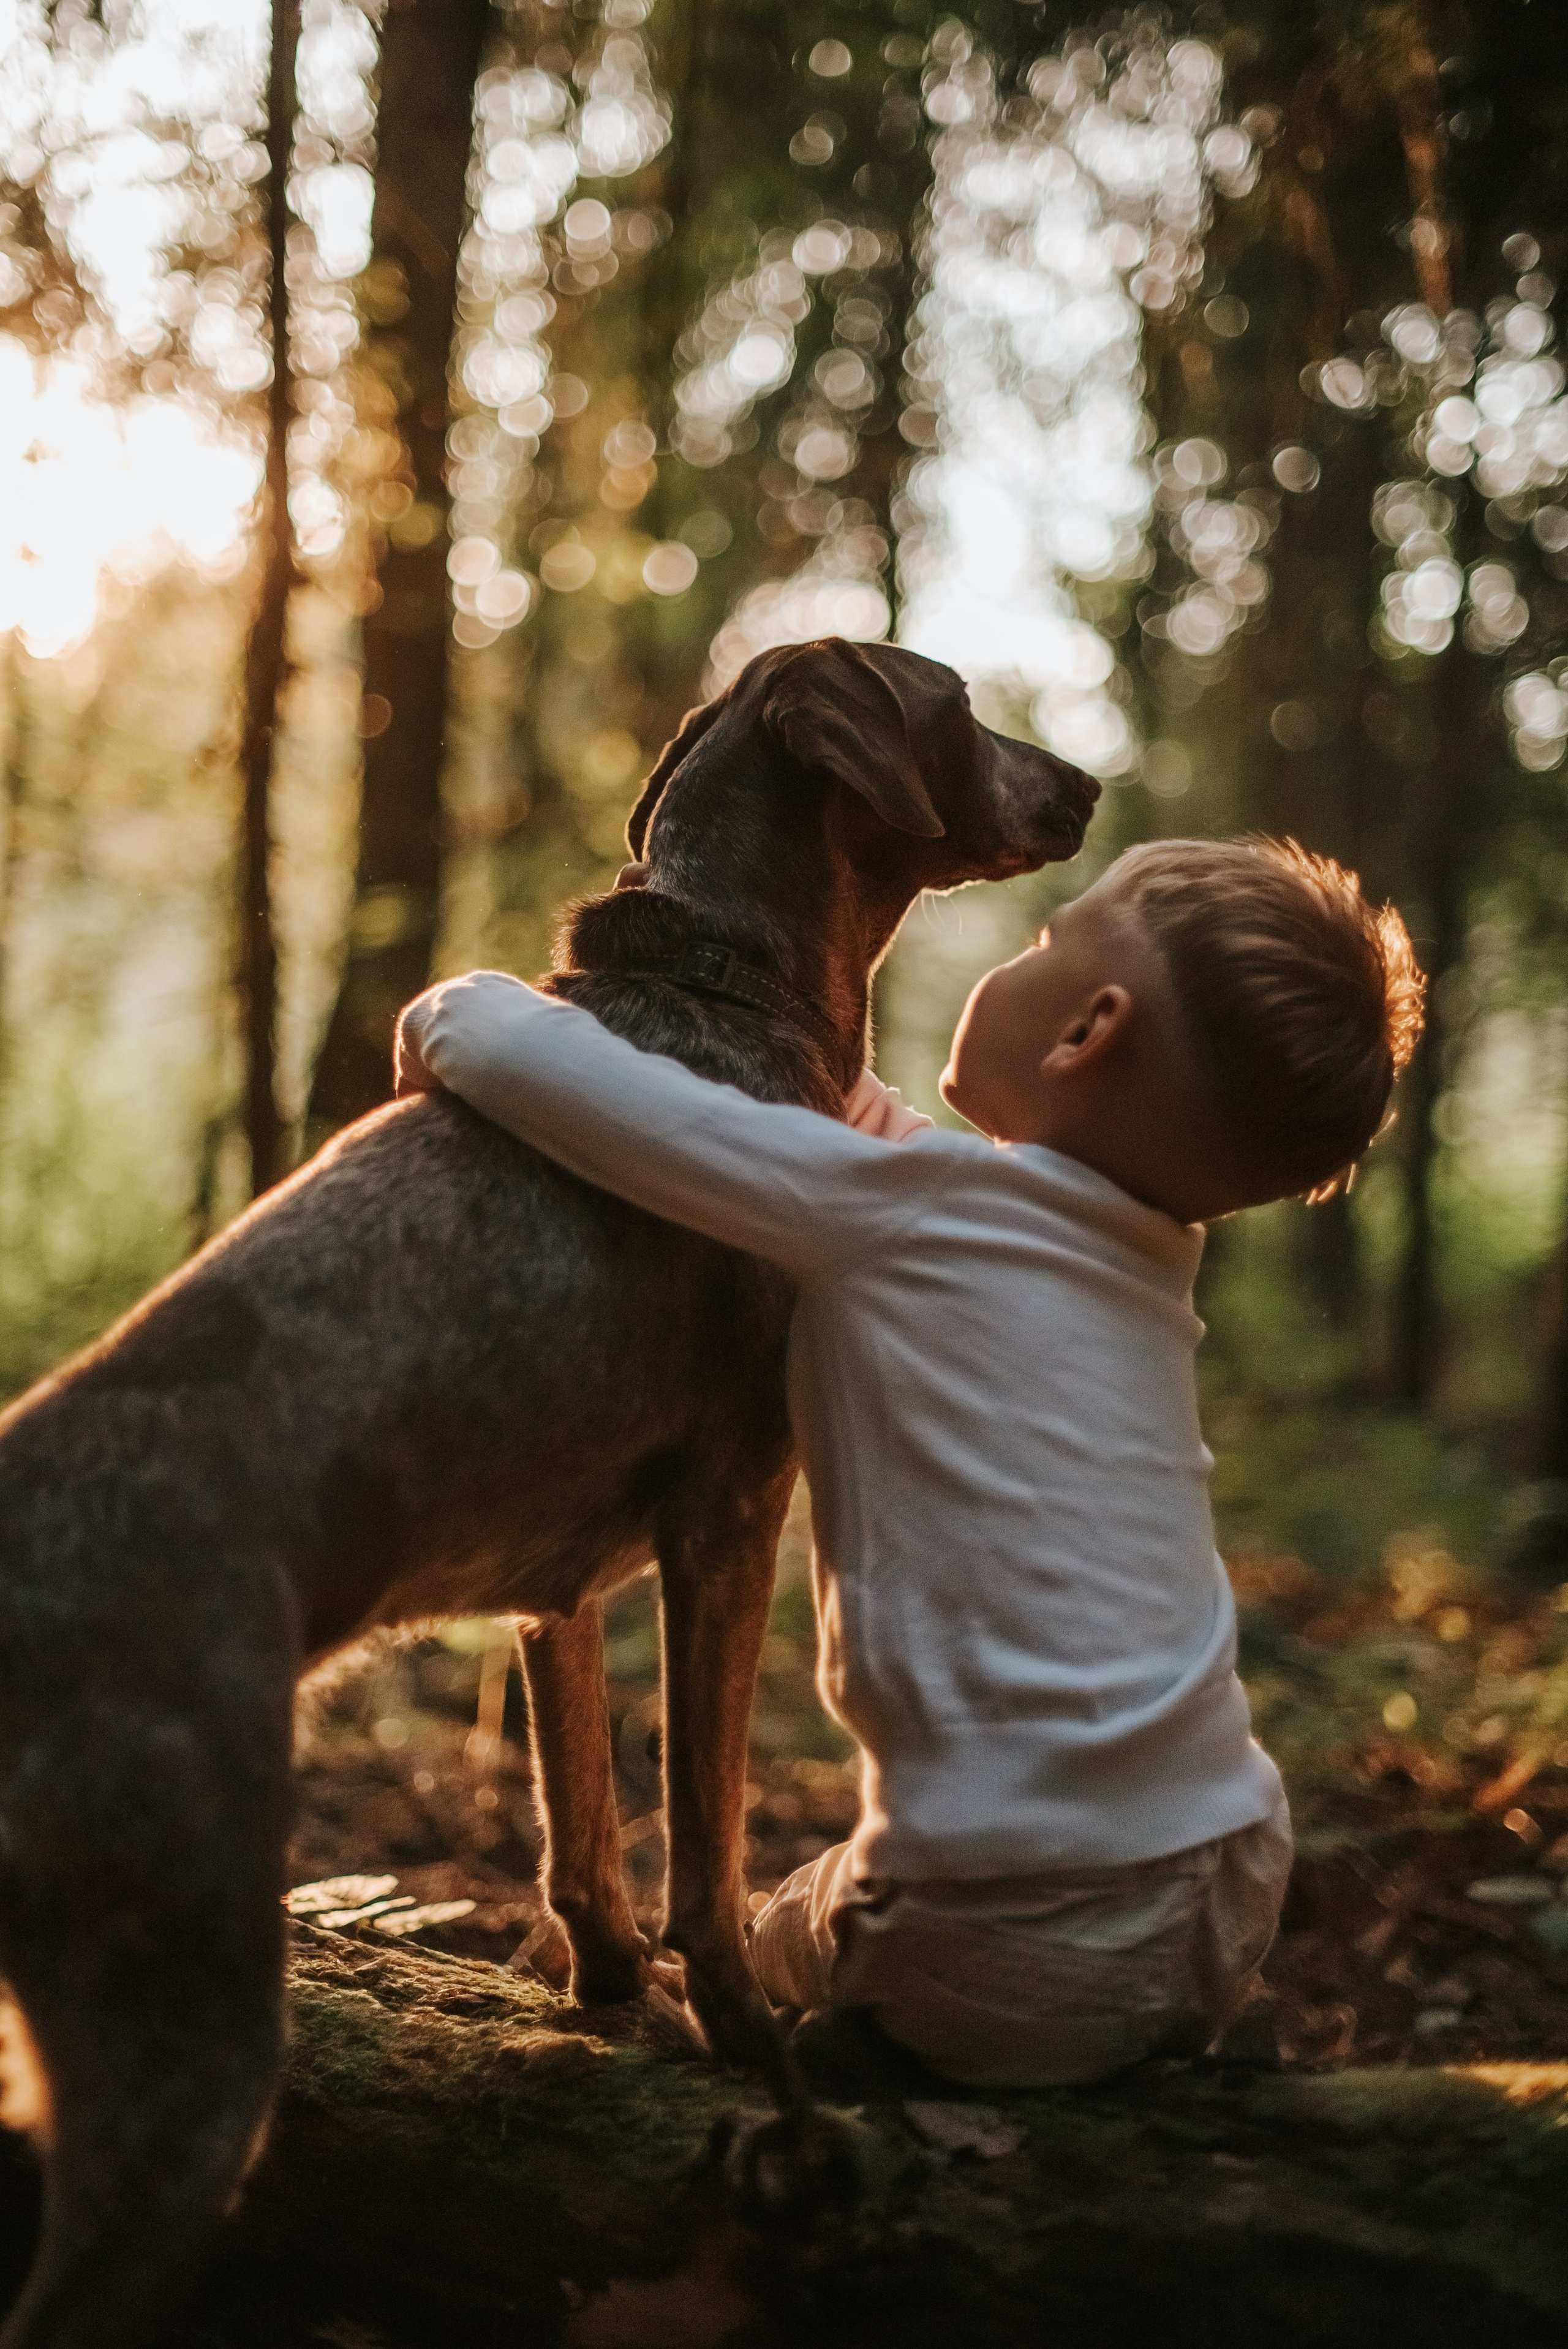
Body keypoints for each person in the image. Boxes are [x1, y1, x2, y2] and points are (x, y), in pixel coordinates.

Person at [394, 836, 1424, 2089]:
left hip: (1009, 1922)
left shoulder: (903, 1219)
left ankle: (882, 2060)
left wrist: (458, 1005)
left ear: (1084, 1030)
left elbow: (559, 1081)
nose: (1020, 951)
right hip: (1227, 1868)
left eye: (1046, 941)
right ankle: (1129, 2030)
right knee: (945, 1926)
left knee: (791, 1928)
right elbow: (866, 1138)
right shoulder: (1136, 1261)